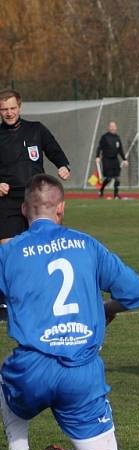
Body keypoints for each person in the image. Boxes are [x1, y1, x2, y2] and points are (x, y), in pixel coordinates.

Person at [0, 174, 139, 450]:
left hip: (32, 370)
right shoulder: (87, 244)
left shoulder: (9, 252)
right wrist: (107, 307)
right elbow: (135, 293)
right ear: (61, 209)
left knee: (5, 377)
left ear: (24, 209)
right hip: (82, 372)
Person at [0, 89, 71, 320]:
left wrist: (63, 166)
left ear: (19, 107)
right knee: (7, 251)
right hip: (8, 201)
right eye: (4, 109)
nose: (9, 113)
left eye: (12, 108)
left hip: (36, 200)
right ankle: (5, 302)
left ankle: (45, 296)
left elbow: (54, 150)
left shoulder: (36, 129)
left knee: (42, 248)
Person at [95, 121, 128, 199]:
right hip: (106, 159)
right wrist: (97, 157)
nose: (113, 128)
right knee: (109, 178)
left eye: (114, 126)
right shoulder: (104, 137)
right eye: (111, 126)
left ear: (116, 127)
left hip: (115, 160)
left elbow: (120, 150)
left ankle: (116, 195)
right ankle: (101, 190)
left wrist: (124, 159)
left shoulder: (117, 137)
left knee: (117, 178)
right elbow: (99, 147)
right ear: (109, 128)